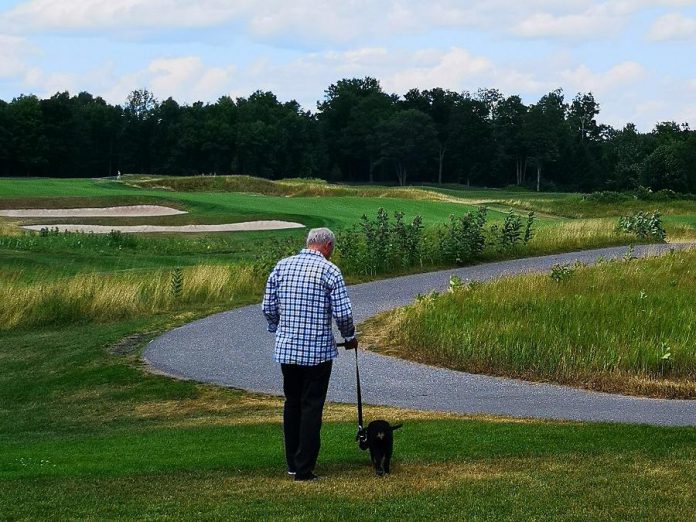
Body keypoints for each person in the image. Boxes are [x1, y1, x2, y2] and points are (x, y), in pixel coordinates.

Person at [262, 227, 358, 481]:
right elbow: (343, 314)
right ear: (327, 246)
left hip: (287, 350)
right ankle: (304, 468)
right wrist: (349, 337)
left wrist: (278, 328)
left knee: (292, 403)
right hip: (317, 351)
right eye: (332, 249)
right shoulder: (330, 270)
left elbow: (268, 306)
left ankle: (292, 463)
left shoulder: (282, 266)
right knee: (311, 406)